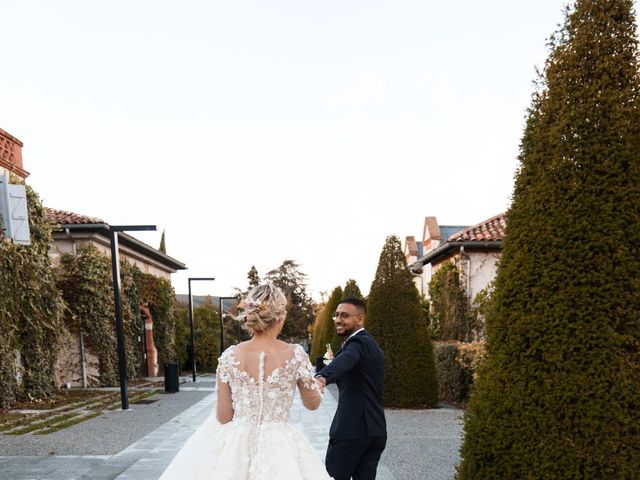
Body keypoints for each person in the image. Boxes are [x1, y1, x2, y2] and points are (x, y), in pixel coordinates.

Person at [159, 283, 331, 480]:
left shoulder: (229, 357)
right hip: (280, 446)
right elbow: (312, 404)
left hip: (235, 448)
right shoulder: (296, 355)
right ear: (280, 317)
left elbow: (224, 417)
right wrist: (318, 388)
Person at [315, 297, 387, 480]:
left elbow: (346, 361)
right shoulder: (372, 345)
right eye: (336, 315)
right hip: (376, 430)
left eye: (345, 316)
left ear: (360, 319)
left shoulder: (357, 344)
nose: (338, 320)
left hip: (351, 431)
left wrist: (322, 377)